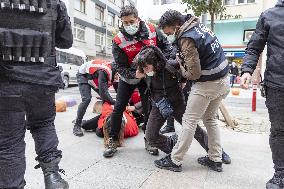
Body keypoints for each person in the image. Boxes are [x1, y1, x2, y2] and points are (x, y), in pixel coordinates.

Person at [0, 1, 73, 188]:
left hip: (7, 83)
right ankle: (53, 176)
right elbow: (66, 40)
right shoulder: (55, 3)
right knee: (43, 125)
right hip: (42, 80)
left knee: (9, 142)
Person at [155, 10, 230, 172]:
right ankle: (215, 158)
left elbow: (193, 73)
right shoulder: (198, 26)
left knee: (189, 121)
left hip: (207, 84)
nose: (167, 35)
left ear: (175, 26)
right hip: (223, 80)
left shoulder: (187, 38)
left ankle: (175, 160)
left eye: (167, 32)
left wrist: (181, 67)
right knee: (210, 119)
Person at [135, 45, 231, 169]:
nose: (145, 69)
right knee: (150, 136)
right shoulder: (143, 71)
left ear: (155, 62)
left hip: (177, 102)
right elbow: (132, 76)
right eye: (143, 67)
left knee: (194, 129)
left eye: (147, 67)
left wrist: (184, 90)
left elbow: (188, 77)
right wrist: (138, 74)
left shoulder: (172, 66)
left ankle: (217, 152)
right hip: (158, 104)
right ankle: (171, 146)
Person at [103, 5, 173, 158]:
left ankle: (149, 140)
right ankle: (113, 140)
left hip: (148, 78)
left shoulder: (152, 30)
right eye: (125, 22)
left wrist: (159, 64)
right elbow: (119, 66)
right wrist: (135, 74)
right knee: (119, 107)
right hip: (128, 78)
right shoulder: (118, 40)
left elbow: (167, 48)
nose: (128, 25)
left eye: (131, 21)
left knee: (149, 108)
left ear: (138, 18)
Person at [241, 1, 284, 188]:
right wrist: (247, 70)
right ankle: (280, 173)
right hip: (276, 84)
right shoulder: (269, 15)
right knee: (279, 131)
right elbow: (254, 47)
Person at [73, 59, 116, 137]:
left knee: (105, 100)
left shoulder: (114, 71)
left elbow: (117, 89)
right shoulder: (104, 71)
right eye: (117, 75)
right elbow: (104, 93)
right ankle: (77, 125)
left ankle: (102, 121)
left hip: (92, 77)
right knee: (87, 99)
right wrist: (115, 102)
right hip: (83, 75)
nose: (118, 76)